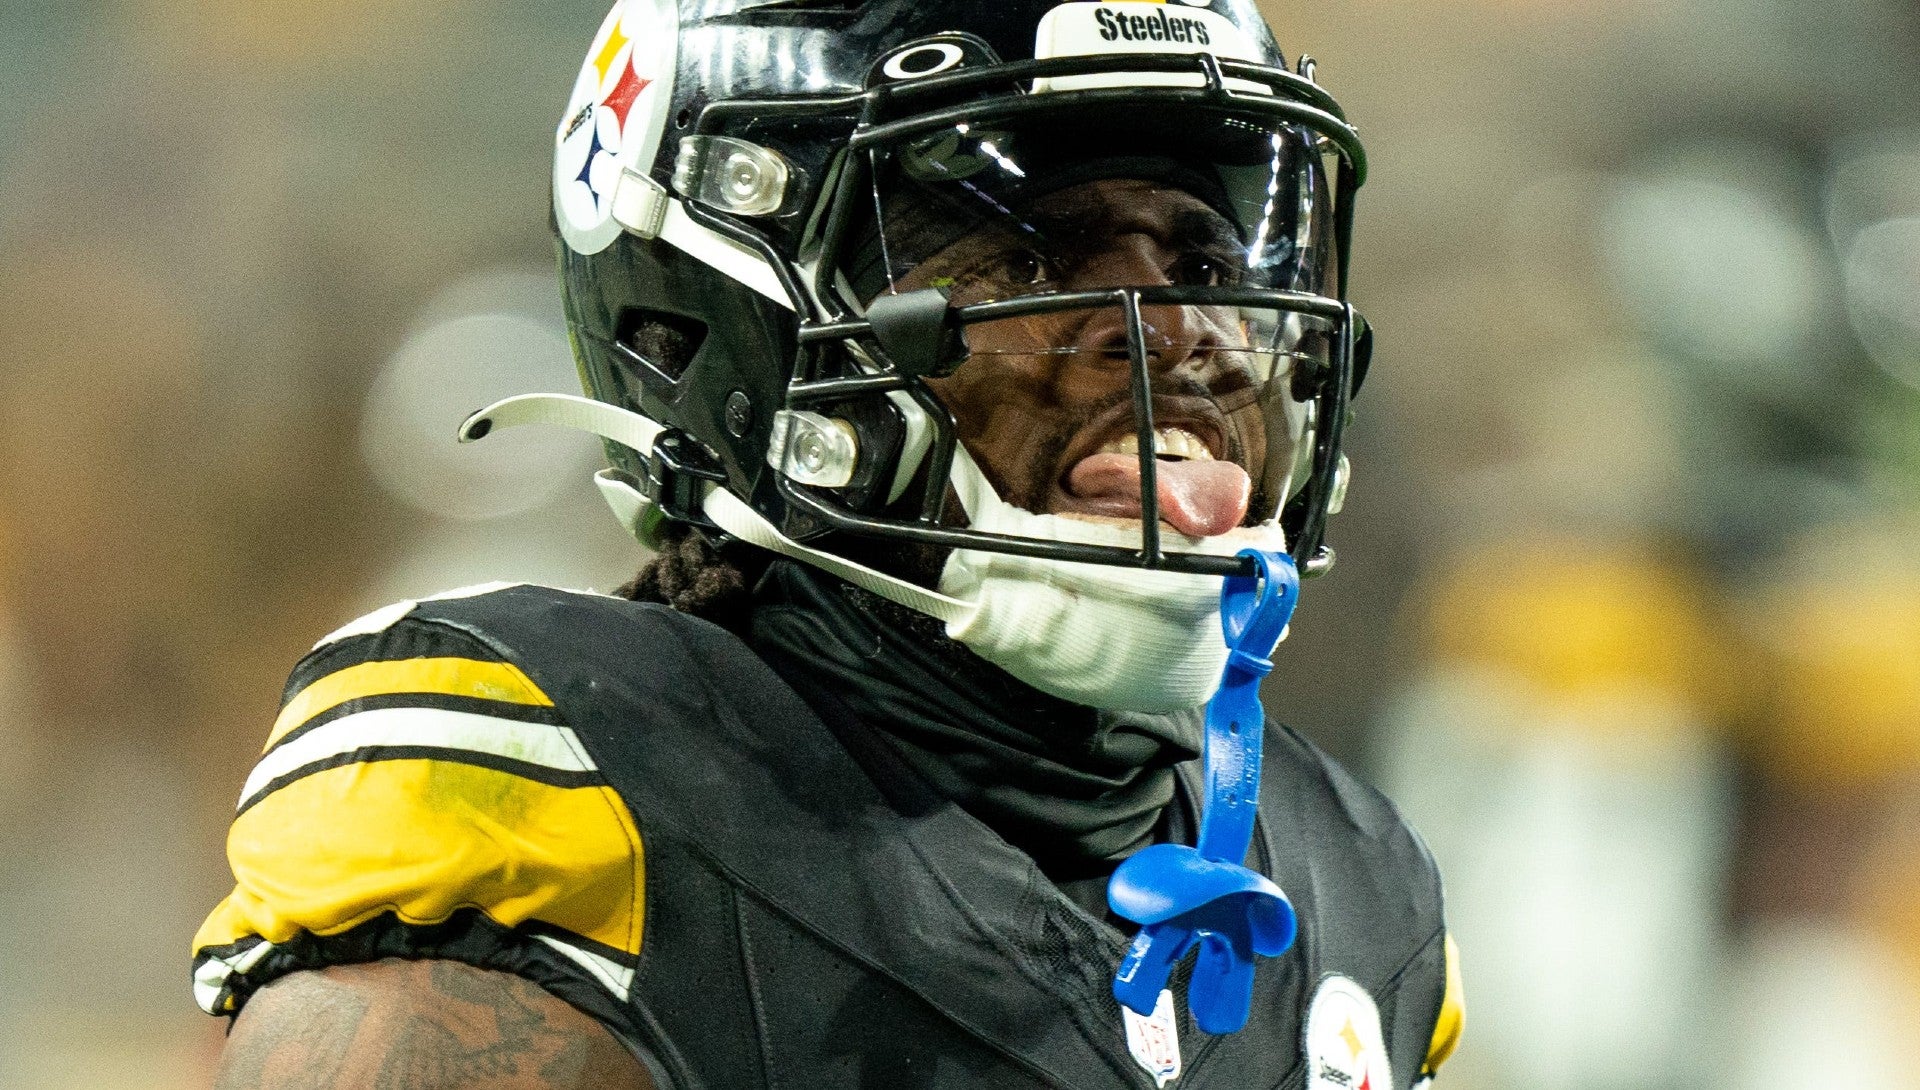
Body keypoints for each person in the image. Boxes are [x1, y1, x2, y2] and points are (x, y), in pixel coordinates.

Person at [192, 1, 1464, 1086]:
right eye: (1032, 257)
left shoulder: (1353, 888)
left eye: (1206, 262)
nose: (1185, 336)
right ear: (714, 323)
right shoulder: (590, 803)